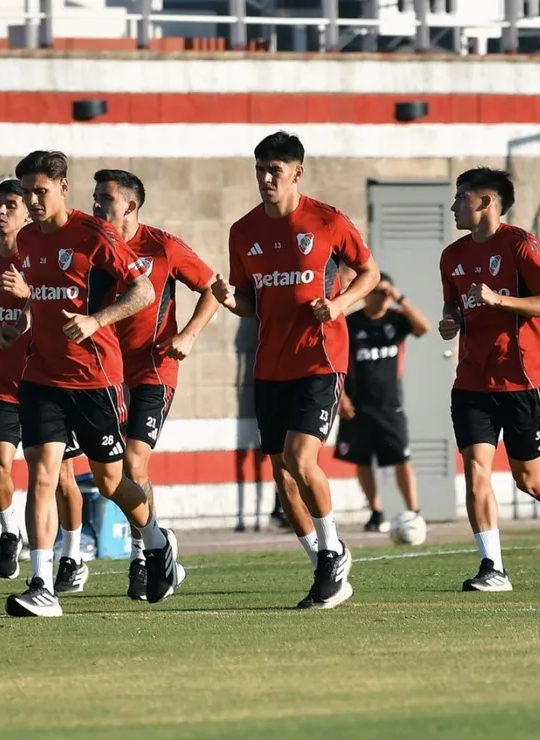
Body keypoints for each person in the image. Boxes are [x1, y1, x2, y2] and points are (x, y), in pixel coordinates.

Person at [0, 150, 182, 617]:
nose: (33, 201)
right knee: (41, 475)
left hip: (96, 377)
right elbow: (43, 300)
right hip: (41, 377)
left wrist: (97, 320)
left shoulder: (94, 234)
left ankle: (157, 541)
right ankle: (42, 583)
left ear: (62, 187)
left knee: (112, 480)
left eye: (41, 191)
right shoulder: (29, 240)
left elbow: (144, 291)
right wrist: (18, 326)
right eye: (27, 193)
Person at [212, 131, 380, 610]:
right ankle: (324, 564)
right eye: (261, 170)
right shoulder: (243, 231)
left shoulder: (327, 220)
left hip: (320, 359)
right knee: (282, 475)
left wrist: (341, 304)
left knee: (302, 459)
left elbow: (370, 273)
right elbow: (250, 303)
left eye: (276, 171)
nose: (266, 179)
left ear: (297, 173)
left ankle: (334, 552)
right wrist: (230, 300)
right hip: (271, 363)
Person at [439, 167, 540, 591]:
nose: (454, 205)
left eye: (461, 197)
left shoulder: (520, 244)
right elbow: (454, 307)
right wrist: (451, 321)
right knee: (476, 471)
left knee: (528, 478)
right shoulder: (451, 256)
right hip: (472, 382)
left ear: (486, 201)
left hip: (523, 380)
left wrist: (498, 298)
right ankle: (493, 568)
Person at [90, 168, 219, 600]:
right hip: (105, 374)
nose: (96, 206)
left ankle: (143, 559)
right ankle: (156, 545)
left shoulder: (161, 245)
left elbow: (214, 287)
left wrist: (189, 335)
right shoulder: (91, 248)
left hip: (153, 370)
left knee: (134, 462)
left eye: (104, 199)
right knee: (110, 473)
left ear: (130, 205)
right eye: (94, 198)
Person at [0, 179, 88, 588]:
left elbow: (58, 309)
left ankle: (72, 554)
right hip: (2, 382)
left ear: (27, 213)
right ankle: (9, 532)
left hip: (49, 381)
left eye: (11, 205)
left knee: (61, 479)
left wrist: (29, 293)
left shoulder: (40, 256)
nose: (2, 211)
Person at [335, 272, 429, 532]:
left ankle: (414, 513)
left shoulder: (397, 320)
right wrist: (341, 396)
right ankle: (376, 513)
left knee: (401, 458)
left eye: (387, 292)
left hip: (390, 406)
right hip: (357, 406)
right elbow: (336, 362)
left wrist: (400, 297)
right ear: (367, 294)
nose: (384, 298)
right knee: (362, 461)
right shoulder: (351, 323)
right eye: (379, 292)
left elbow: (424, 327)